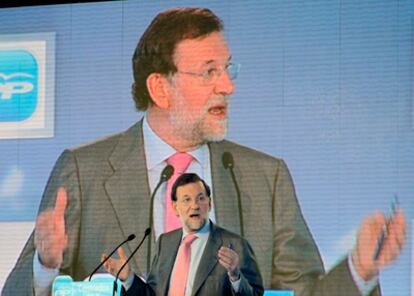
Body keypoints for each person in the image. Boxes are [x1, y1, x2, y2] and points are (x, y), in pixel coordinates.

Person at [2, 7, 405, 296]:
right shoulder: (83, 171)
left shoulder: (266, 178)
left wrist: (359, 271)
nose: (227, 86)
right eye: (209, 72)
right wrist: (46, 267)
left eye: (228, 69)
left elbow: (304, 294)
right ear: (160, 88)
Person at [102, 173, 264, 296]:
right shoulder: (165, 243)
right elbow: (151, 293)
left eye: (201, 198)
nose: (195, 205)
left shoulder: (235, 244)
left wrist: (235, 276)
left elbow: (256, 294)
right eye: (186, 200)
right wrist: (128, 278)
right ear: (175, 207)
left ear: (209, 203)